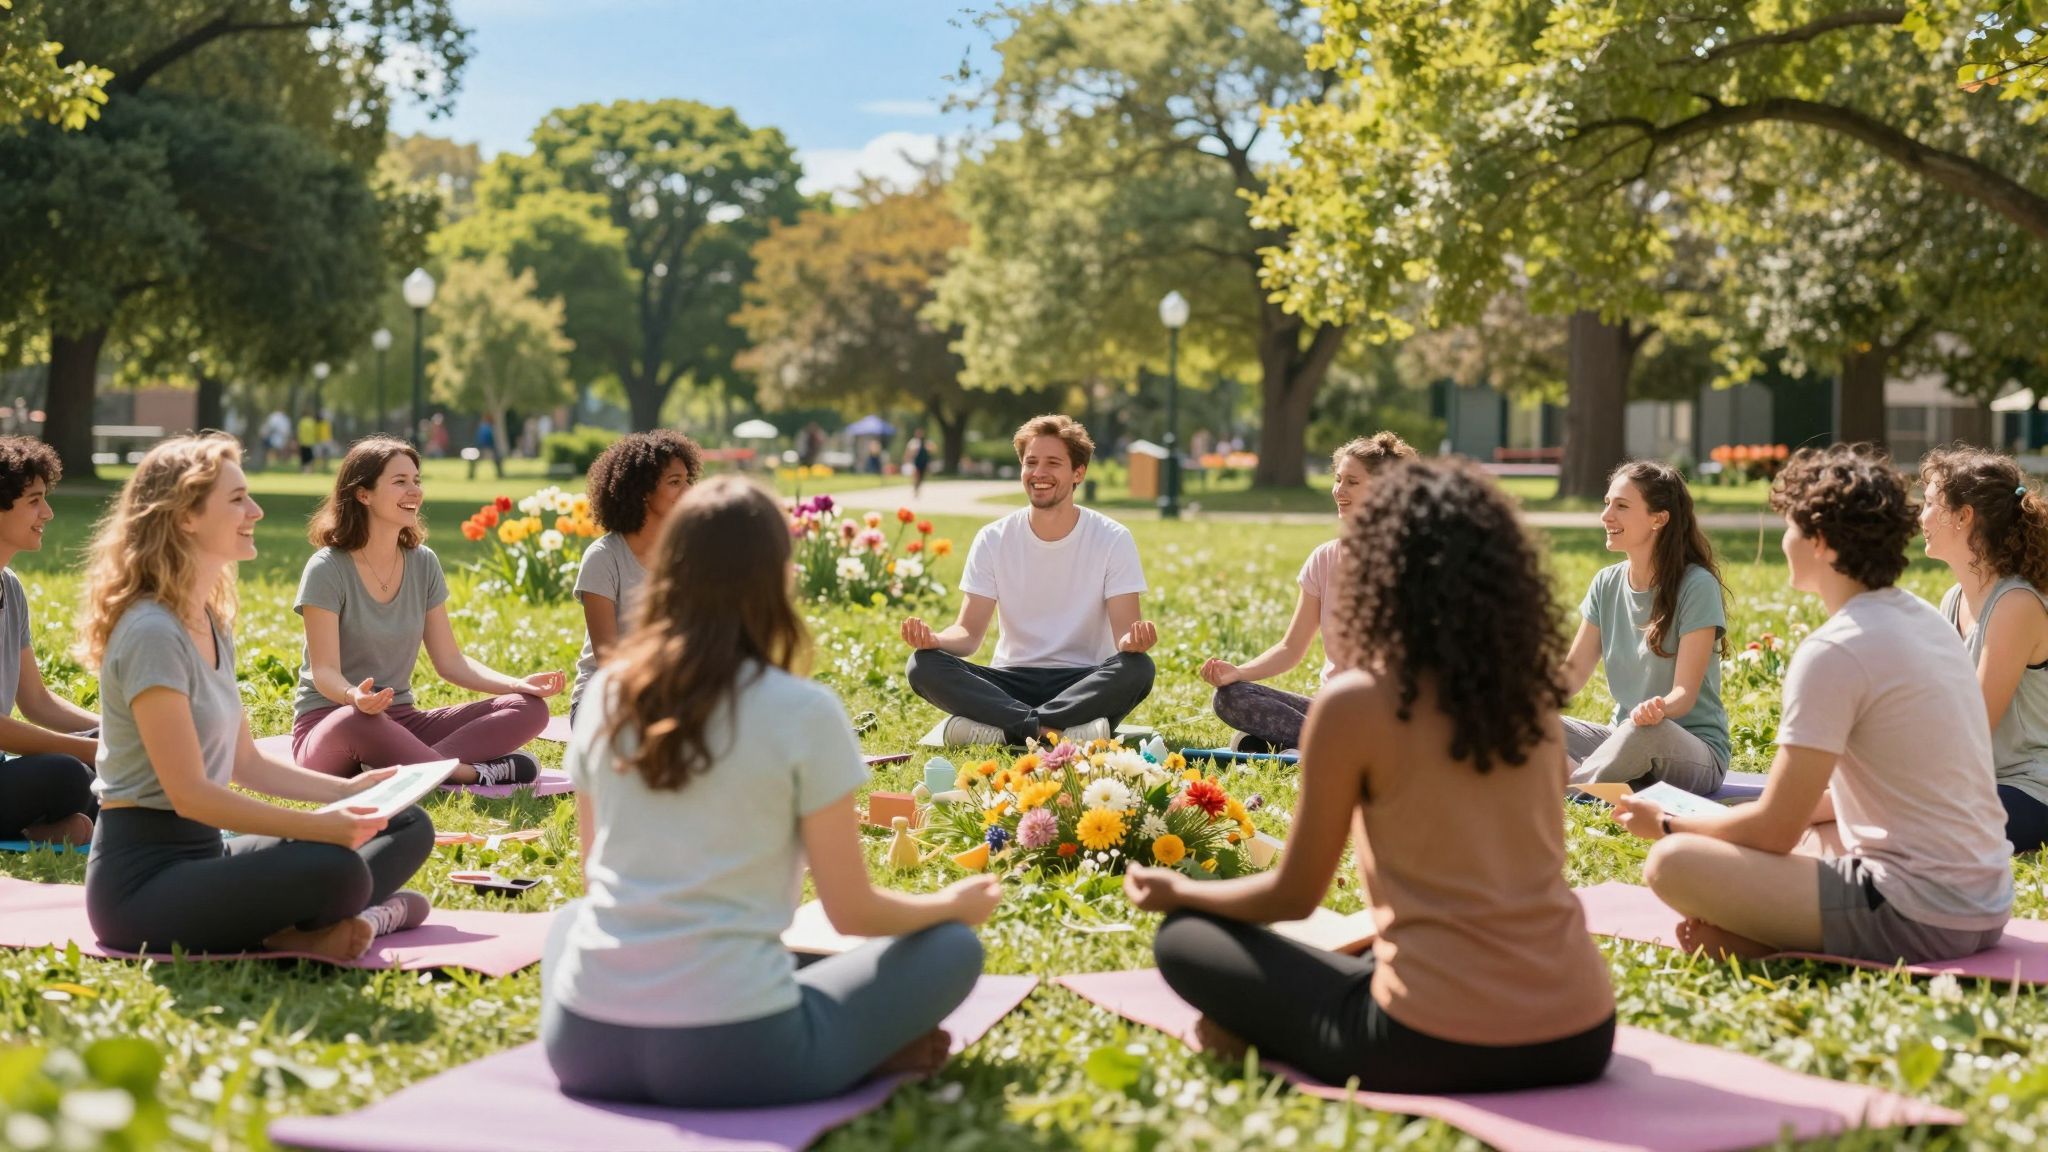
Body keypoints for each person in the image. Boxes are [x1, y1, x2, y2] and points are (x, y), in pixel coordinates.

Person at [1125, 457, 1614, 1094]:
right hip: (1581, 1033)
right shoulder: (1528, 704)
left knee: (1185, 940)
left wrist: (1179, 893)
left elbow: (1292, 898)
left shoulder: (1357, 704)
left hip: (1430, 1041)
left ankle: (1251, 1036)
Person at [544, 475, 998, 1108]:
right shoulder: (803, 710)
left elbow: (596, 881)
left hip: (584, 1045)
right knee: (951, 947)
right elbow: (852, 913)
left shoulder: (609, 697)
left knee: (571, 921)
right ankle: (863, 1053)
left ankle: (848, 1038)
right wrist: (949, 905)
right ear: (779, 577)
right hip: (739, 1053)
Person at [1614, 444, 2013, 964]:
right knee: (1815, 830)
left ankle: (1776, 941)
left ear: (1820, 542)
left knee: (1673, 862)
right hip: (1986, 901)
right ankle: (1767, 935)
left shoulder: (1835, 650)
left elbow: (1772, 831)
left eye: (1791, 527)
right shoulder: (1925, 621)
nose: (1784, 541)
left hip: (1922, 914)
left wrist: (1665, 823)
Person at [79, 434, 434, 961]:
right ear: (185, 518)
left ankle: (307, 926)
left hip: (207, 853)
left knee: (405, 821)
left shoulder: (207, 619)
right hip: (142, 887)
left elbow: (245, 763)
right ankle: (334, 919)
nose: (256, 510)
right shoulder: (151, 631)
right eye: (237, 499)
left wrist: (347, 793)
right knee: (336, 868)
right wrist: (318, 827)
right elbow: (190, 796)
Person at [291, 437, 562, 785]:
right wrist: (353, 696)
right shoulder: (327, 568)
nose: (414, 491)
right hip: (333, 724)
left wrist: (516, 683)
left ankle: (400, 767)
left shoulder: (423, 563)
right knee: (355, 720)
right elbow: (324, 671)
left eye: (416, 480)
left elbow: (450, 662)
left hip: (402, 723)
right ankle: (467, 773)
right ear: (363, 494)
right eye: (400, 481)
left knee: (529, 708)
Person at [902, 415, 1156, 747]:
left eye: (1053, 463)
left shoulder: (1112, 538)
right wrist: (935, 638)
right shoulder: (993, 538)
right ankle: (1050, 731)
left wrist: (1132, 643)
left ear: (1078, 472)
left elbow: (1125, 634)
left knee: (1138, 668)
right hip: (1009, 680)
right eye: (1031, 462)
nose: (1039, 473)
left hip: (1082, 681)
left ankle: (1007, 729)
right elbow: (968, 634)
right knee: (922, 665)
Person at [1200, 432, 1416, 753]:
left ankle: (1308, 747)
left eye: (1353, 482)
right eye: (1338, 480)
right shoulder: (1324, 559)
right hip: (1334, 712)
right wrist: (1238, 672)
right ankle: (1331, 746)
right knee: (1231, 698)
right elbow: (1291, 648)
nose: (1339, 491)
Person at [1559, 461, 1731, 795]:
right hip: (1622, 737)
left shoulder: (1696, 586)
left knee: (1643, 733)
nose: (1607, 515)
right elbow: (1573, 673)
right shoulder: (1606, 583)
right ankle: (1585, 782)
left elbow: (1684, 695)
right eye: (1607, 503)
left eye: (1621, 506)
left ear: (1659, 518)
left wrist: (1658, 709)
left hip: (1690, 749)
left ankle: (1571, 789)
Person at [1920, 446, 2048, 854]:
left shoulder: (2015, 606)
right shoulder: (1954, 599)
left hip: (2032, 790)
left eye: (1928, 504)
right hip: (1981, 784)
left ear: (1963, 516)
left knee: (1899, 822)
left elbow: (1970, 726)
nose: (1920, 518)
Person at [0, 438, 100, 845]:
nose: (48, 513)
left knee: (105, 753)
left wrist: (116, 733)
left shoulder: (10, 587)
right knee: (69, 773)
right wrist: (92, 754)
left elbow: (36, 702)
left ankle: (47, 828)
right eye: (34, 500)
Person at [570, 430, 703, 722]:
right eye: (674, 482)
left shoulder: (689, 555)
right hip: (605, 702)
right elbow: (609, 659)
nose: (688, 491)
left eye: (687, 481)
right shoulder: (603, 557)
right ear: (643, 491)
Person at [904, 428, 933, 498]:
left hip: (923, 462)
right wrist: (907, 458)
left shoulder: (925, 442)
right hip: (915, 462)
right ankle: (915, 488)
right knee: (916, 475)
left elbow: (932, 449)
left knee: (921, 477)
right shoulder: (913, 442)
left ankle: (918, 487)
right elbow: (908, 451)